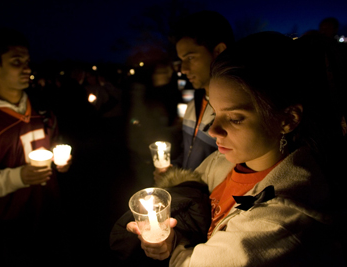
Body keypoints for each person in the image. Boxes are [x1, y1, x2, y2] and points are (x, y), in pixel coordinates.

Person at [126, 31, 346, 266]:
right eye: (215, 111)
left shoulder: (281, 220)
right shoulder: (223, 162)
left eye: (235, 118)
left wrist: (176, 247)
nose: (213, 131)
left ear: (288, 119)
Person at [0, 28, 72, 266]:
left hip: (50, 214)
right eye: (17, 62)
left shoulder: (43, 112)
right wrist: (19, 177)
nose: (27, 69)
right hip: (7, 227)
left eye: (27, 62)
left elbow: (56, 144)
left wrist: (62, 163)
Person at [155, 11, 235, 179]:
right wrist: (174, 170)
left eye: (190, 57)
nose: (183, 69)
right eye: (181, 60)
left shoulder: (238, 114)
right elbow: (188, 153)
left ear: (219, 51)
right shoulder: (193, 104)